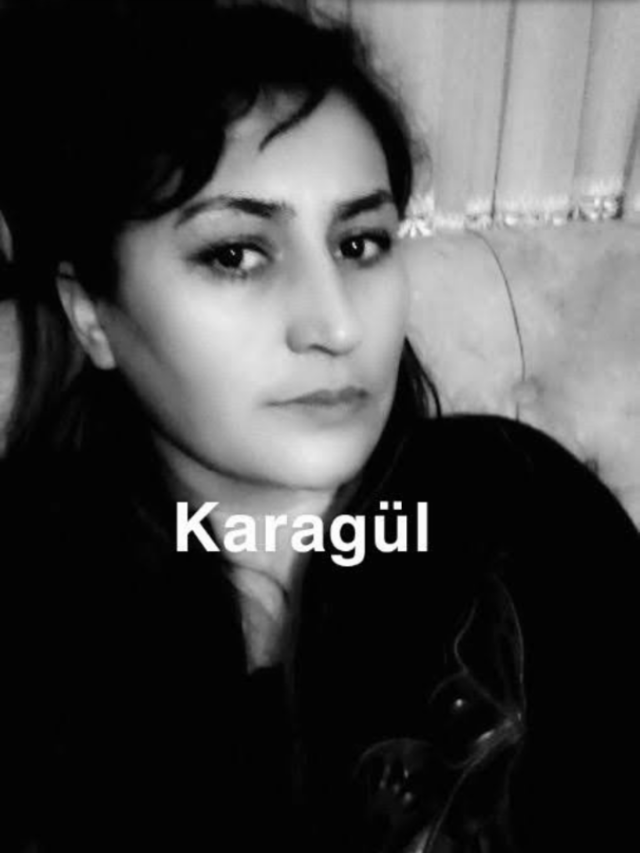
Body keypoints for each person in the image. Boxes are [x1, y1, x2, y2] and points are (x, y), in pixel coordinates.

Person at [1, 3, 638, 852]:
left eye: (360, 243)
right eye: (236, 254)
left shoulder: (519, 506)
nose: (336, 325)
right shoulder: (35, 625)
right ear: (91, 315)